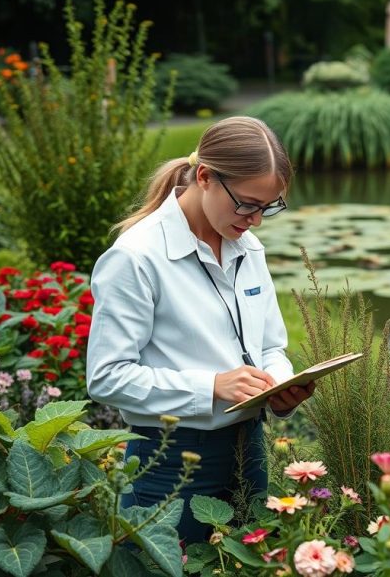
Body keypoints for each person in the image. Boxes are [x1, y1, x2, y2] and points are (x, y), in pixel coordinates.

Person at [86, 116, 313, 543]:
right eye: (247, 204)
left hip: (250, 452)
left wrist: (281, 388)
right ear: (205, 177)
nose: (256, 221)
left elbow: (270, 348)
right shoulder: (136, 256)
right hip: (168, 462)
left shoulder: (247, 246)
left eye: (268, 207)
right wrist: (211, 386)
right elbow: (106, 377)